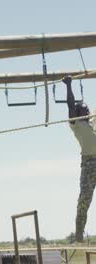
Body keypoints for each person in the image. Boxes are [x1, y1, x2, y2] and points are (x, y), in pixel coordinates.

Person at [63, 76, 96, 242]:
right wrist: (69, 85)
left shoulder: (93, 122)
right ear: (78, 113)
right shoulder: (76, 124)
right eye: (85, 108)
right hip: (90, 164)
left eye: (88, 108)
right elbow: (70, 104)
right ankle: (79, 233)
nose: (88, 110)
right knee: (84, 199)